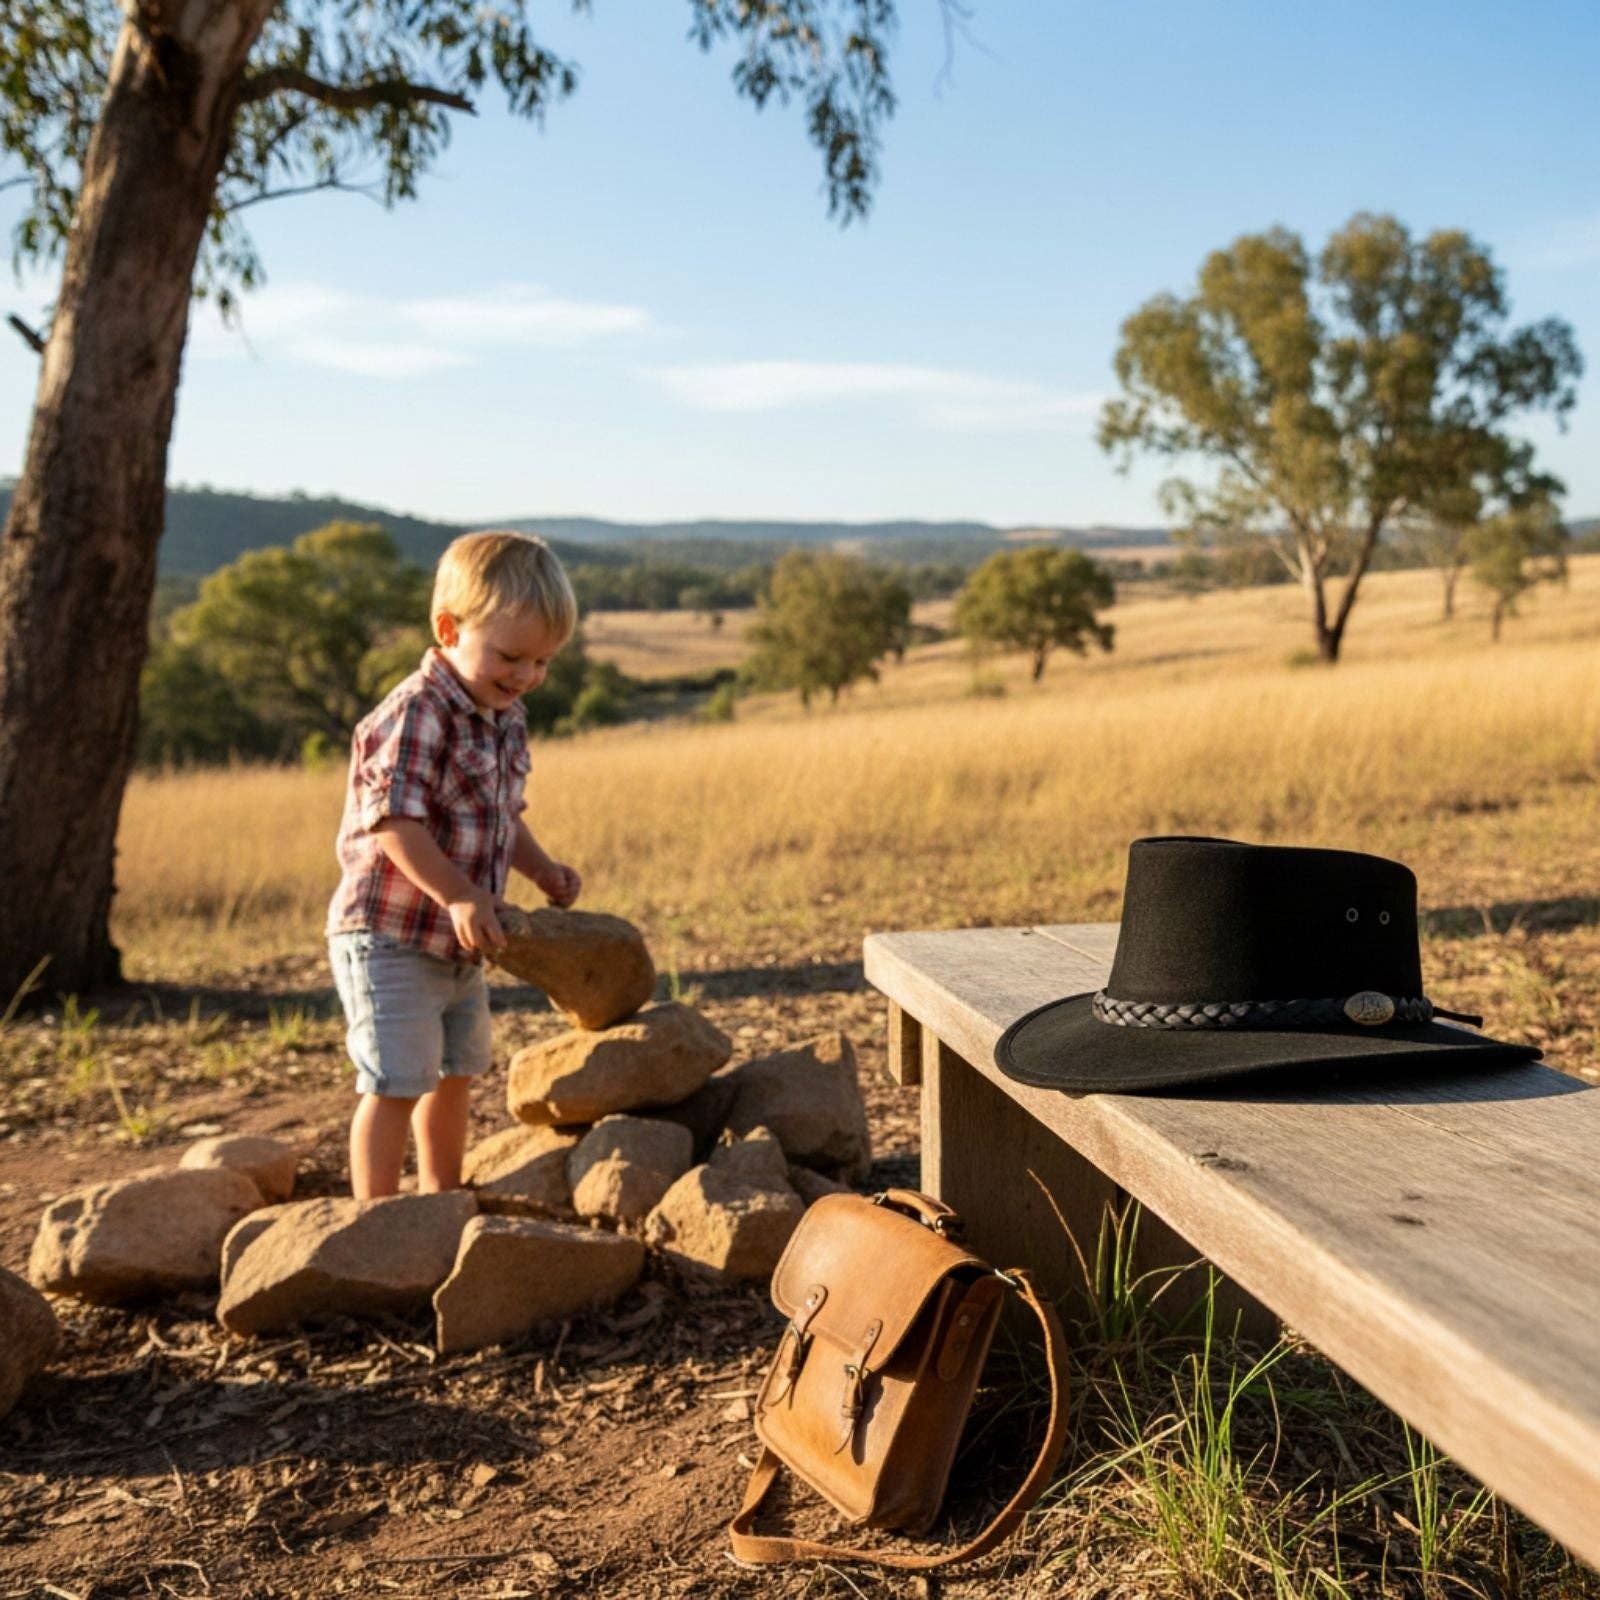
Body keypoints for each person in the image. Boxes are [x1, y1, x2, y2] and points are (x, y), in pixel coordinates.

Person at [326, 530, 582, 1199]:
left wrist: (543, 871)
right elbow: (393, 823)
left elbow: (503, 814)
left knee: (456, 1072)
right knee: (395, 1080)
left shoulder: (504, 715)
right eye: (510, 656)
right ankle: (377, 1216)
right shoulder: (417, 711)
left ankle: (442, 1195)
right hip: (391, 936)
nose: (525, 675)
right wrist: (462, 894)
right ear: (449, 628)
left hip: (461, 942)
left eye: (542, 662)